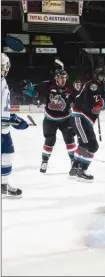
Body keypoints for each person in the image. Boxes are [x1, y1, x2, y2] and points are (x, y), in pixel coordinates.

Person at [69, 67, 105, 181]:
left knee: (84, 145)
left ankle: (75, 167)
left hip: (84, 119)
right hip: (81, 118)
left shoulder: (99, 86)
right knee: (92, 146)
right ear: (99, 76)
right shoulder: (94, 85)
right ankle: (82, 170)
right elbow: (99, 104)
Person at [23, 69, 77, 173]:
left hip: (66, 119)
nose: (63, 80)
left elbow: (79, 100)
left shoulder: (70, 88)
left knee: (69, 139)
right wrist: (26, 88)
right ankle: (44, 161)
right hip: (50, 119)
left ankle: (74, 162)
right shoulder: (47, 85)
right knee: (50, 140)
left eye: (65, 78)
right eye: (61, 78)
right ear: (56, 78)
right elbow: (33, 92)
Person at [1, 53, 29, 197]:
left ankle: (3, 185)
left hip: (3, 128)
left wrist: (10, 117)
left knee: (8, 154)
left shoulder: (2, 80)